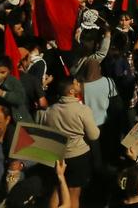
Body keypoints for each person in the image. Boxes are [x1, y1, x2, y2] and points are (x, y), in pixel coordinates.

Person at [39, 75, 99, 208]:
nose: (79, 84)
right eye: (77, 83)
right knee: (73, 193)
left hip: (57, 157)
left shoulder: (49, 111)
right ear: (71, 91)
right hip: (78, 157)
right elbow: (94, 135)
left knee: (57, 190)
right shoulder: (82, 110)